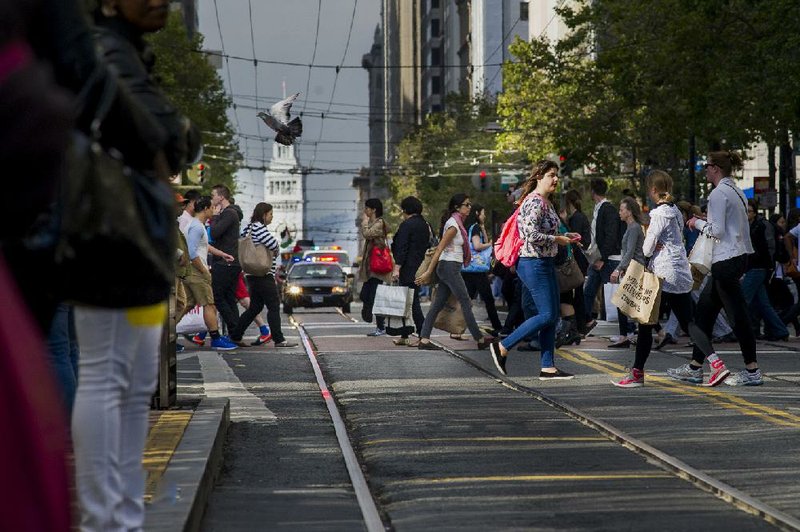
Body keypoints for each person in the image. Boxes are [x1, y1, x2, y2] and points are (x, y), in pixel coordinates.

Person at [71, 2, 202, 530]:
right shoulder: (107, 53)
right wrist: (170, 139)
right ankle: (104, 517)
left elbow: (180, 144)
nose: (160, 2)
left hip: (141, 247)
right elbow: (167, 139)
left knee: (136, 377)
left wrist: (172, 139)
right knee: (107, 375)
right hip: (109, 238)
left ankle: (122, 515)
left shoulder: (132, 56)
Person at [667, 151, 762, 386]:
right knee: (704, 313)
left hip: (725, 260)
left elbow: (717, 231)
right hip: (737, 257)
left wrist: (696, 222)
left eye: (707, 166)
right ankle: (695, 367)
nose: (705, 170)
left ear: (716, 169)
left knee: (738, 317)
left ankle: (752, 371)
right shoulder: (737, 192)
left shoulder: (718, 194)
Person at [613, 171, 711, 387]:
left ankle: (637, 373)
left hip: (662, 274)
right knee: (688, 321)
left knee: (646, 324)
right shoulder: (675, 211)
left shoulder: (658, 214)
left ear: (653, 190)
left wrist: (651, 243)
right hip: (679, 272)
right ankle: (715, 362)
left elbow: (647, 248)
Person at [488, 161, 580, 378]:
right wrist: (557, 238)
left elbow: (544, 233)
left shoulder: (546, 202)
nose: (555, 179)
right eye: (551, 175)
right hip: (532, 262)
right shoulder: (534, 203)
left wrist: (565, 238)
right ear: (539, 177)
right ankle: (503, 346)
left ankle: (547, 366)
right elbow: (530, 235)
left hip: (544, 261)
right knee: (547, 314)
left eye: (557, 175)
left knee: (552, 313)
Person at [415, 193, 495, 350]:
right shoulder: (453, 226)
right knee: (465, 301)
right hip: (449, 267)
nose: (470, 207)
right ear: (457, 207)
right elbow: (439, 249)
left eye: (470, 204)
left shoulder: (458, 223)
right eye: (467, 204)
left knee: (438, 304)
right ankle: (479, 340)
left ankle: (424, 339)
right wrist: (429, 272)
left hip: (451, 267)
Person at [229, 203, 297, 348]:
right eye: (270, 214)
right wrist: (277, 249)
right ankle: (279, 339)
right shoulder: (259, 228)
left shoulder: (248, 228)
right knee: (273, 306)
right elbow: (273, 244)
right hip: (264, 274)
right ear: (264, 214)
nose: (272, 217)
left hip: (252, 274)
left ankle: (235, 335)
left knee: (255, 307)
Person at [177, 196, 237, 350]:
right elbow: (191, 252)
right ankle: (216, 339)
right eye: (211, 207)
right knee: (209, 304)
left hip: (191, 272)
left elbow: (204, 246)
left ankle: (167, 335)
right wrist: (204, 271)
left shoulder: (196, 225)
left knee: (187, 305)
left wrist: (222, 254)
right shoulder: (196, 227)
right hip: (197, 272)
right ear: (205, 209)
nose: (214, 210)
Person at [742, 199, 789, 341]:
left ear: (755, 212)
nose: (746, 214)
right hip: (755, 267)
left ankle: (738, 330)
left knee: (742, 300)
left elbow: (769, 249)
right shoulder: (748, 226)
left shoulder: (761, 226)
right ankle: (781, 330)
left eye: (749, 211)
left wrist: (769, 267)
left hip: (758, 267)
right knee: (763, 303)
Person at [582, 178, 624, 329]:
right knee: (588, 293)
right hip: (599, 258)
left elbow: (611, 236)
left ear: (593, 191)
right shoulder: (599, 208)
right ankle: (585, 323)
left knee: (616, 295)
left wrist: (603, 259)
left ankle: (628, 330)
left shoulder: (608, 209)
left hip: (608, 259)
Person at [390, 196, 430, 346]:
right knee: (408, 302)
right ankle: (405, 334)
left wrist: (397, 268)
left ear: (405, 210)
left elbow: (402, 248)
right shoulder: (425, 224)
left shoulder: (407, 225)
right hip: (422, 267)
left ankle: (422, 334)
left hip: (408, 268)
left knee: (412, 303)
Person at [607, 198, 646, 348]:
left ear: (629, 212)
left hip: (636, 269)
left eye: (622, 209)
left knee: (624, 302)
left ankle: (626, 335)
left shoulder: (634, 228)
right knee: (629, 303)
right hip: (632, 268)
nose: (620, 212)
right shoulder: (631, 227)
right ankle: (628, 335)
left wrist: (619, 269)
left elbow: (630, 252)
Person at [460, 203, 503, 335]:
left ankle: (457, 326)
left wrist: (483, 227)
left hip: (468, 268)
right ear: (477, 214)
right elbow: (478, 246)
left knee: (467, 299)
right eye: (483, 213)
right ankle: (497, 327)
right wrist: (490, 244)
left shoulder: (470, 226)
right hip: (477, 269)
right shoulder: (475, 228)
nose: (484, 216)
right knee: (488, 299)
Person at [209, 184, 242, 333]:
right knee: (229, 298)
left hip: (226, 262)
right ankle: (235, 333)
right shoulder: (230, 213)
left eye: (213, 195)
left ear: (221, 197)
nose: (212, 198)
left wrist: (214, 217)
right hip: (229, 261)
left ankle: (235, 328)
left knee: (218, 297)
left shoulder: (229, 214)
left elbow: (214, 233)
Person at [358, 198, 393, 336]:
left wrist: (365, 224)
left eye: (367, 208)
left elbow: (367, 234)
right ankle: (374, 320)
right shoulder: (373, 223)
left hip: (377, 267)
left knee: (374, 297)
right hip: (371, 267)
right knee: (366, 295)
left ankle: (381, 326)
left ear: (373, 209)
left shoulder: (379, 223)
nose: (365, 211)